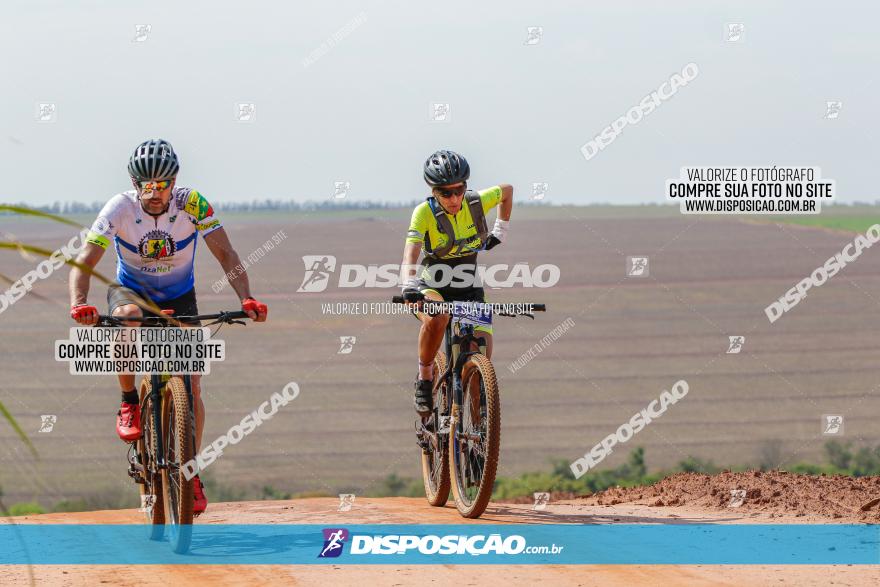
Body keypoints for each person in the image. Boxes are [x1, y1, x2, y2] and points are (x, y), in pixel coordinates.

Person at [68, 138, 268, 514]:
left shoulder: (193, 204)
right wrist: (80, 304)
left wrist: (246, 297)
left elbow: (226, 253)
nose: (155, 192)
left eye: (163, 184)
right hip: (132, 291)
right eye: (147, 185)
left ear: (174, 182)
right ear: (134, 182)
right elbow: (85, 259)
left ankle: (191, 473)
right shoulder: (119, 208)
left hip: (179, 297)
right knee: (127, 319)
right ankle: (129, 401)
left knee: (191, 384)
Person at [399, 149, 512, 415]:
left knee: (480, 356)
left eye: (459, 190)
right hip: (431, 286)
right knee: (439, 317)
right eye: (445, 193)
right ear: (434, 192)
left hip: (468, 287)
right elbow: (410, 252)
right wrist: (408, 285)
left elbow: (507, 191)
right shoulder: (423, 213)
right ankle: (425, 380)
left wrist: (500, 232)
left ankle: (477, 438)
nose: (454, 198)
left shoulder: (475, 203)